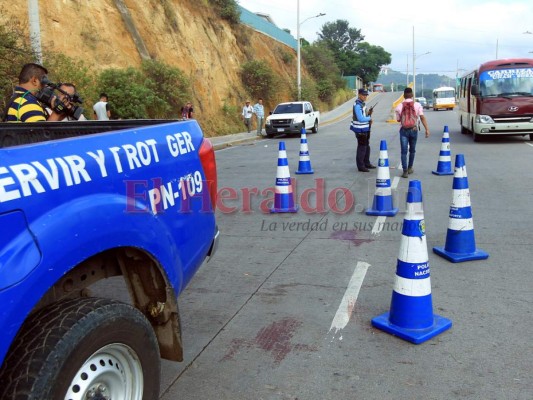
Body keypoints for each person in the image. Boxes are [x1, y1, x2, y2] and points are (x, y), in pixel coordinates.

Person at [395, 87, 430, 178]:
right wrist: (427, 129)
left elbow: (398, 120)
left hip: (403, 131)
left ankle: (405, 171)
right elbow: (422, 118)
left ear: (404, 95)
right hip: (414, 130)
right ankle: (410, 167)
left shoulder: (399, 106)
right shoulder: (417, 105)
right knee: (412, 150)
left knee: (403, 151)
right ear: (412, 95)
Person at [350, 88, 375, 172]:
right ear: (359, 95)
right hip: (360, 129)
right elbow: (360, 118)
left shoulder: (362, 104)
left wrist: (368, 114)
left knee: (366, 146)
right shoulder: (357, 105)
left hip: (365, 128)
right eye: (363, 95)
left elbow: (363, 115)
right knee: (362, 147)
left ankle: (366, 163)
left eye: (366, 95)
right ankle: (361, 166)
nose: (365, 96)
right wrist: (369, 118)